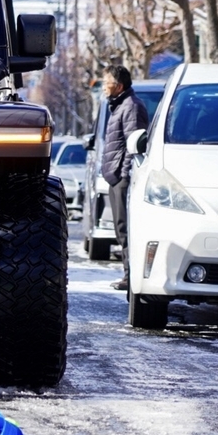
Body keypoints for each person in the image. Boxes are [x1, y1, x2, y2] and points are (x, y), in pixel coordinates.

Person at [100, 65, 148, 291]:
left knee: (126, 228)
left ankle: (131, 277)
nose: (104, 86)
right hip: (116, 176)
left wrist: (124, 175)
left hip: (123, 177)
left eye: (106, 82)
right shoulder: (120, 106)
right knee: (121, 229)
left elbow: (134, 145)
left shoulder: (131, 107)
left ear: (118, 86)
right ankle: (128, 275)